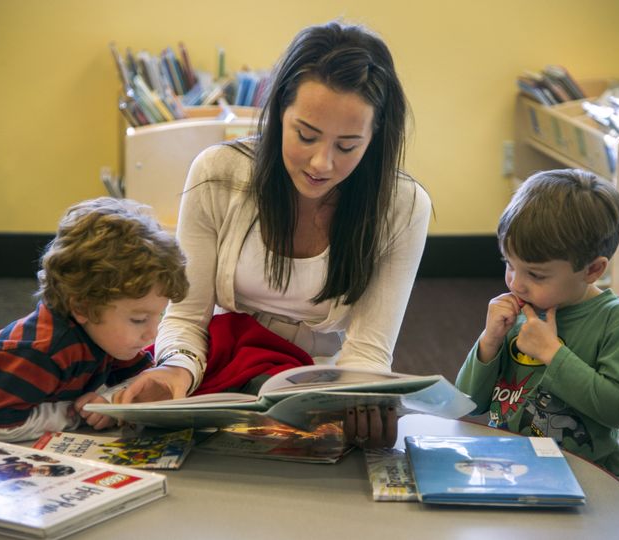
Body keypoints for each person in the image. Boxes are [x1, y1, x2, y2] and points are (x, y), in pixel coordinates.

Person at [116, 20, 431, 449]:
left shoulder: (402, 206)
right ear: (279, 112)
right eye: (306, 135)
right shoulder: (219, 173)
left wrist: (360, 399)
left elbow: (369, 349)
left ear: (375, 139)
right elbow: (187, 316)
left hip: (318, 378)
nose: (322, 163)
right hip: (217, 361)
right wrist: (175, 370)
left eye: (347, 146)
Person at [0, 197, 188, 465]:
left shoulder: (111, 337)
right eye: (139, 319)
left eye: (158, 315)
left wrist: (110, 403)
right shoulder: (36, 350)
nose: (152, 333)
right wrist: (76, 414)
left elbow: (136, 379)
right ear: (83, 307)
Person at [455, 169, 619, 484]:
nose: (516, 283)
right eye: (509, 264)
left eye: (536, 274)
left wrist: (551, 352)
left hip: (589, 477)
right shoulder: (522, 310)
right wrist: (489, 342)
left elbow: (617, 409)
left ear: (593, 269)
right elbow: (466, 402)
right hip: (507, 467)